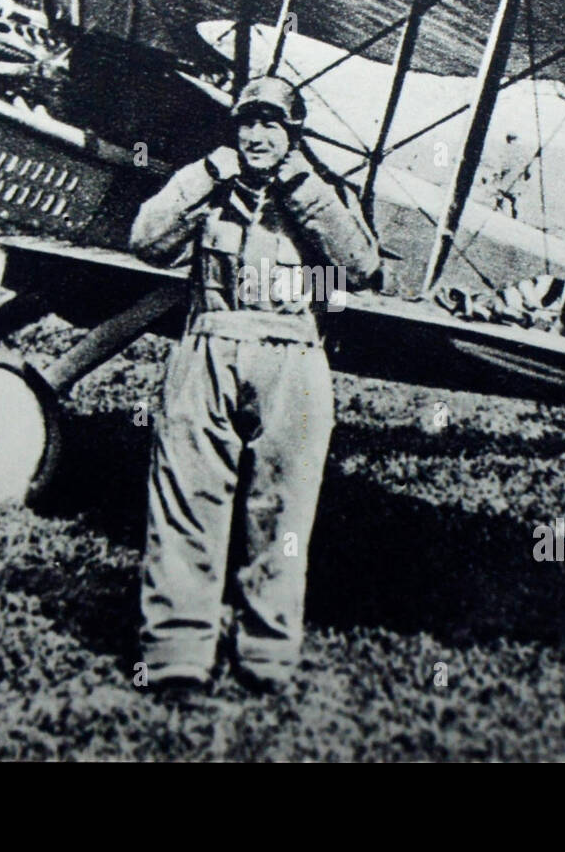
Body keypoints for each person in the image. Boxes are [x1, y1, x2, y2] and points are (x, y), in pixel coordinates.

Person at [128, 75, 381, 692]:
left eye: (272, 123)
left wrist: (300, 187)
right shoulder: (209, 187)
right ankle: (176, 651)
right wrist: (206, 176)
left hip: (292, 356)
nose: (258, 135)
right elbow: (145, 240)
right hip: (208, 347)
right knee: (186, 498)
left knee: (285, 512)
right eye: (248, 123)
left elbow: (362, 268)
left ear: (293, 135)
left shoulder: (322, 191)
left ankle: (267, 654)